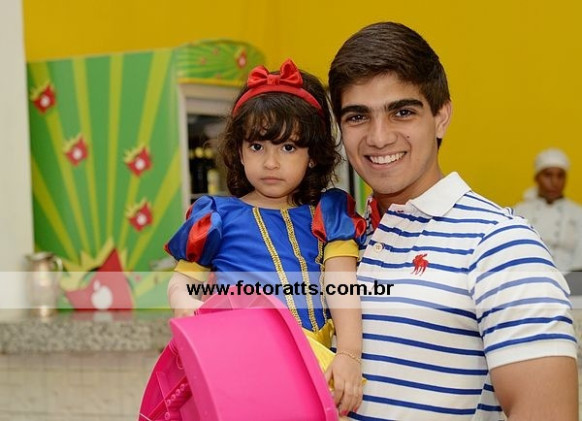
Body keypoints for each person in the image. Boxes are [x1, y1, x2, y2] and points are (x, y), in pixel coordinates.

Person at [328, 22, 578, 420]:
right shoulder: (342, 239)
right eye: (358, 116)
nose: (379, 137)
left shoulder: (501, 245)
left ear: (441, 116)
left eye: (402, 112)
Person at [165, 59, 365, 417]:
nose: (271, 162)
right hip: (240, 365)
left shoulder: (330, 212)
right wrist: (183, 301)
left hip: (315, 367)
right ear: (239, 151)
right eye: (257, 146)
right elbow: (183, 280)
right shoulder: (216, 216)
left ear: (313, 156)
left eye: (288, 147)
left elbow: (342, 283)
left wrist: (349, 355)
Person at [513, 148, 582, 273]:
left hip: (569, 280)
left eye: (560, 176)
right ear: (537, 178)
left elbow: (579, 261)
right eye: (548, 175)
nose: (554, 182)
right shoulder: (519, 212)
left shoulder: (578, 213)